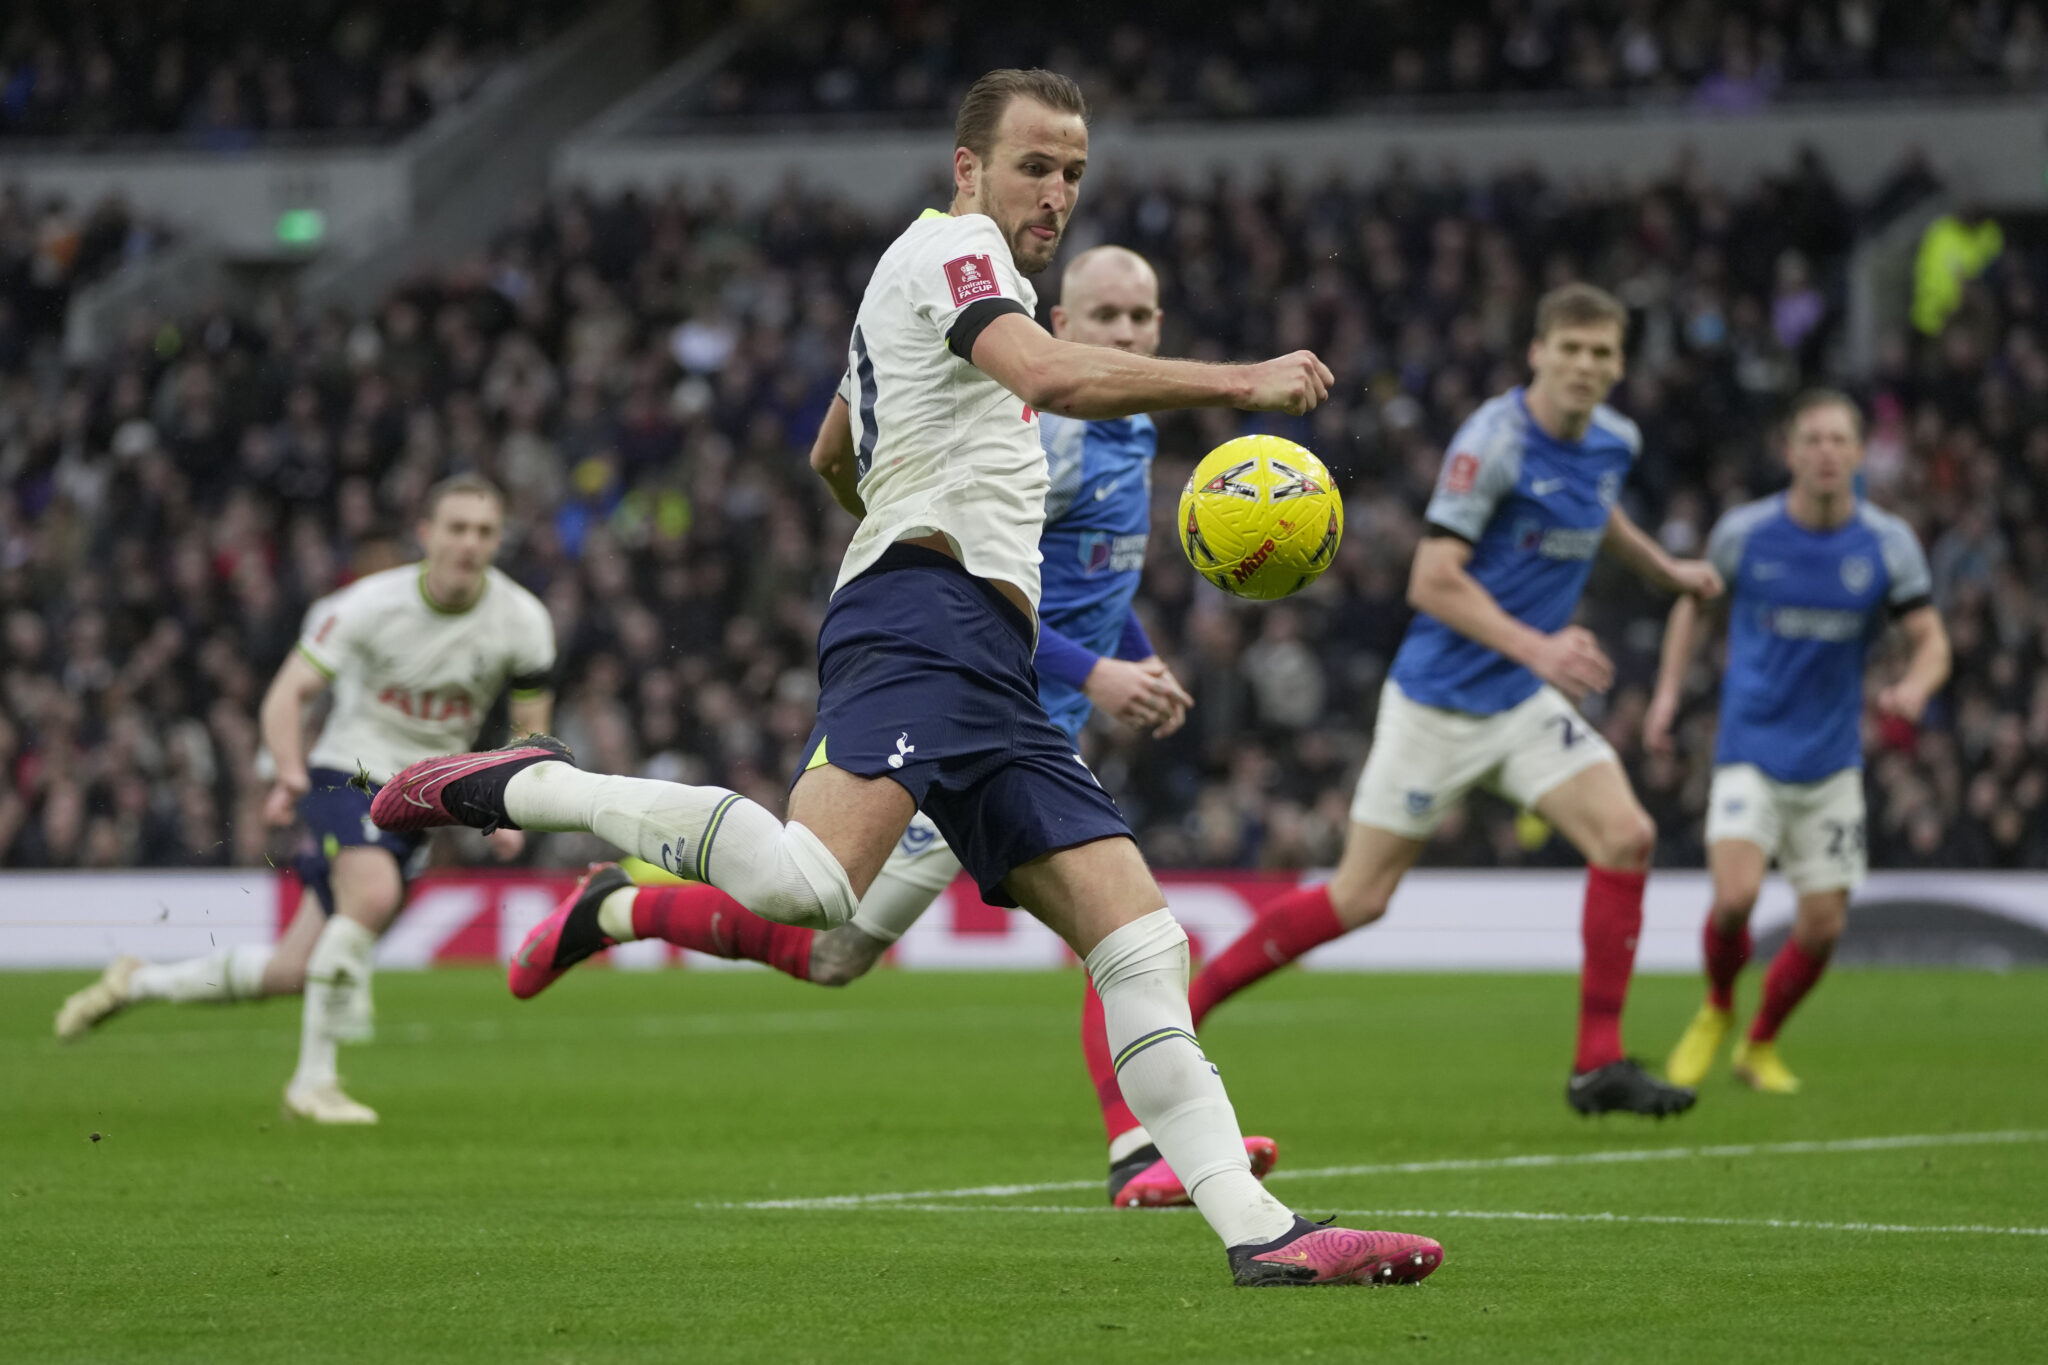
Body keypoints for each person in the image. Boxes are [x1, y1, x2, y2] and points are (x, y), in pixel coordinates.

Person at [373, 68, 1441, 1287]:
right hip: (923, 621)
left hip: (990, 660)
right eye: (1034, 165)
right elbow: (1047, 376)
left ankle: (1263, 1235)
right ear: (967, 168)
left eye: (1074, 172)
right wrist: (1238, 381)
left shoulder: (947, 287)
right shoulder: (953, 255)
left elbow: (833, 449)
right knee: (809, 890)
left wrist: (890, 498)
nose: (1054, 191)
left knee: (1139, 938)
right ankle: (536, 786)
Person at [506, 244, 1275, 1208]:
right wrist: (1100, 672)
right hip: (958, 707)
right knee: (831, 927)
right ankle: (610, 893)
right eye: (1105, 318)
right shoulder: (1061, 435)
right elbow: (987, 594)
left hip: (1028, 729)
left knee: (1010, 938)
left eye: (1141, 318)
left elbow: (1083, 576)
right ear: (1062, 326)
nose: (1126, 332)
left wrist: (1134, 647)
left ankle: (612, 906)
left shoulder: (1133, 433)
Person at [1078, 284, 1723, 1134]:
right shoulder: (1492, 441)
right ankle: (1188, 1010)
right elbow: (1432, 578)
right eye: (1571, 349)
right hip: (1438, 704)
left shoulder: (1612, 442)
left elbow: (1592, 508)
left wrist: (1665, 571)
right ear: (1538, 352)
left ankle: (1597, 1060)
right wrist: (1540, 646)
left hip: (1520, 699)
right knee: (1360, 896)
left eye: (1603, 353)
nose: (1586, 366)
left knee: (1627, 835)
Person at [55, 475, 555, 1125]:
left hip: (428, 794)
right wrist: (288, 771)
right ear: (426, 533)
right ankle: (313, 1082)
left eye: (484, 531)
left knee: (295, 969)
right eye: (456, 527)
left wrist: (515, 804)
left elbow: (531, 733)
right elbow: (286, 693)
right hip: (343, 772)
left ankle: (138, 980)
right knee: (372, 897)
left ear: (498, 540)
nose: (469, 543)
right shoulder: (366, 605)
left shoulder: (524, 621)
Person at [1651, 390, 1949, 1093]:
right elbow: (1692, 608)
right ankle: (1718, 1006)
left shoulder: (1886, 543)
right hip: (1749, 749)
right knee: (1736, 898)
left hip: (1831, 761)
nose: (1824, 451)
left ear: (1858, 452)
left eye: (1838, 439)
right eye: (1811, 439)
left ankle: (1759, 1045)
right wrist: (1666, 694)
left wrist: (1915, 686)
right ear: (1789, 452)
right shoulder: (1745, 533)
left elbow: (1932, 639)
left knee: (1819, 929)